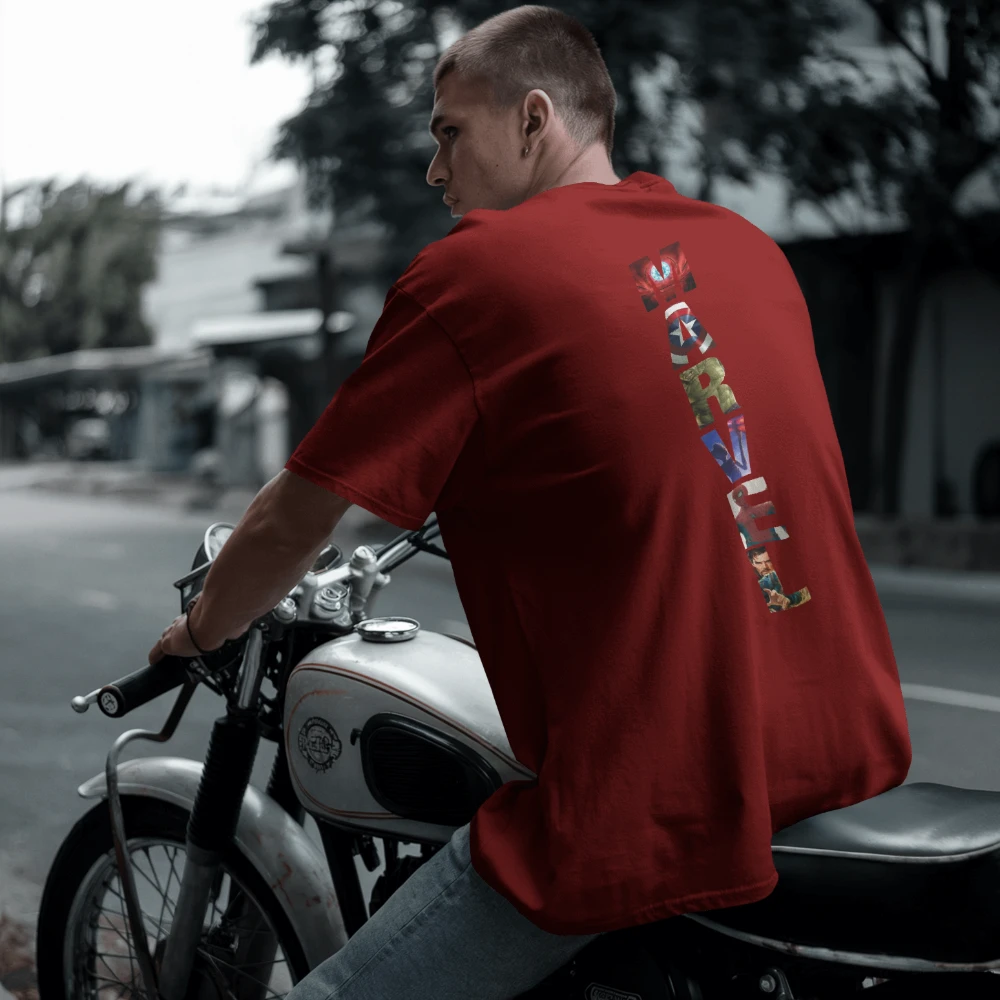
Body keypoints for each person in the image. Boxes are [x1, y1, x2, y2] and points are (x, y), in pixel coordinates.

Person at [149, 6, 912, 997]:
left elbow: (300, 512)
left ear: (533, 119)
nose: (435, 171)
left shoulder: (475, 276)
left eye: (447, 132)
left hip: (653, 799)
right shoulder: (747, 249)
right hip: (840, 748)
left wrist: (205, 626)